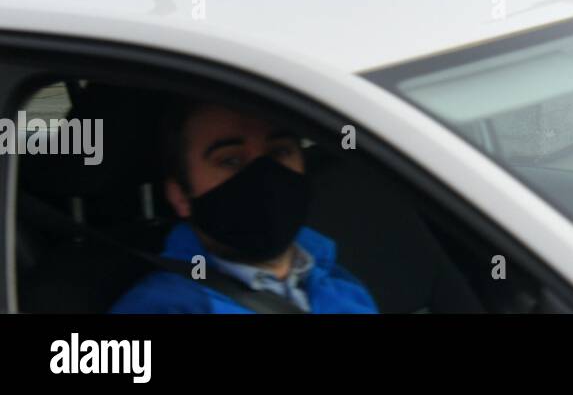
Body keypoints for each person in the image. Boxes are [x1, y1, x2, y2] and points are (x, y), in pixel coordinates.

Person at [111, 100, 377, 313]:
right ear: (180, 195)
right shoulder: (164, 307)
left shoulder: (338, 281)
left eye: (279, 152)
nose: (265, 175)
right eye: (230, 161)